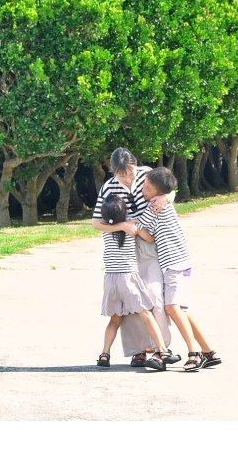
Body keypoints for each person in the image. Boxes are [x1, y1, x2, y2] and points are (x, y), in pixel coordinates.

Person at [91, 148, 180, 367]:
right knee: (132, 305)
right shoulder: (108, 187)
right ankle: (138, 351)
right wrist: (123, 226)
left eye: (130, 172)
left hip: (149, 242)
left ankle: (162, 348)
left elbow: (169, 189)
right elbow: (96, 223)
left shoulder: (147, 174)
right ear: (113, 172)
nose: (129, 178)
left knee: (154, 297)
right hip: (125, 247)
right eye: (123, 175)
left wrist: (166, 198)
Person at [136, 166, 222, 372]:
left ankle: (194, 354)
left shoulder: (155, 206)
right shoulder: (161, 201)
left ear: (158, 193)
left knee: (171, 307)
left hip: (174, 264)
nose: (142, 189)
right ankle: (209, 351)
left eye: (147, 188)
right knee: (181, 309)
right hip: (179, 263)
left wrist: (123, 223)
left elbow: (140, 226)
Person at [96, 194, 170, 371]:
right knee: (145, 314)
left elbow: (100, 223)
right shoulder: (132, 227)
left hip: (110, 279)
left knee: (115, 320)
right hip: (128, 278)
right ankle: (163, 350)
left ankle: (104, 354)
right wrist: (135, 223)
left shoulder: (106, 229)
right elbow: (150, 238)